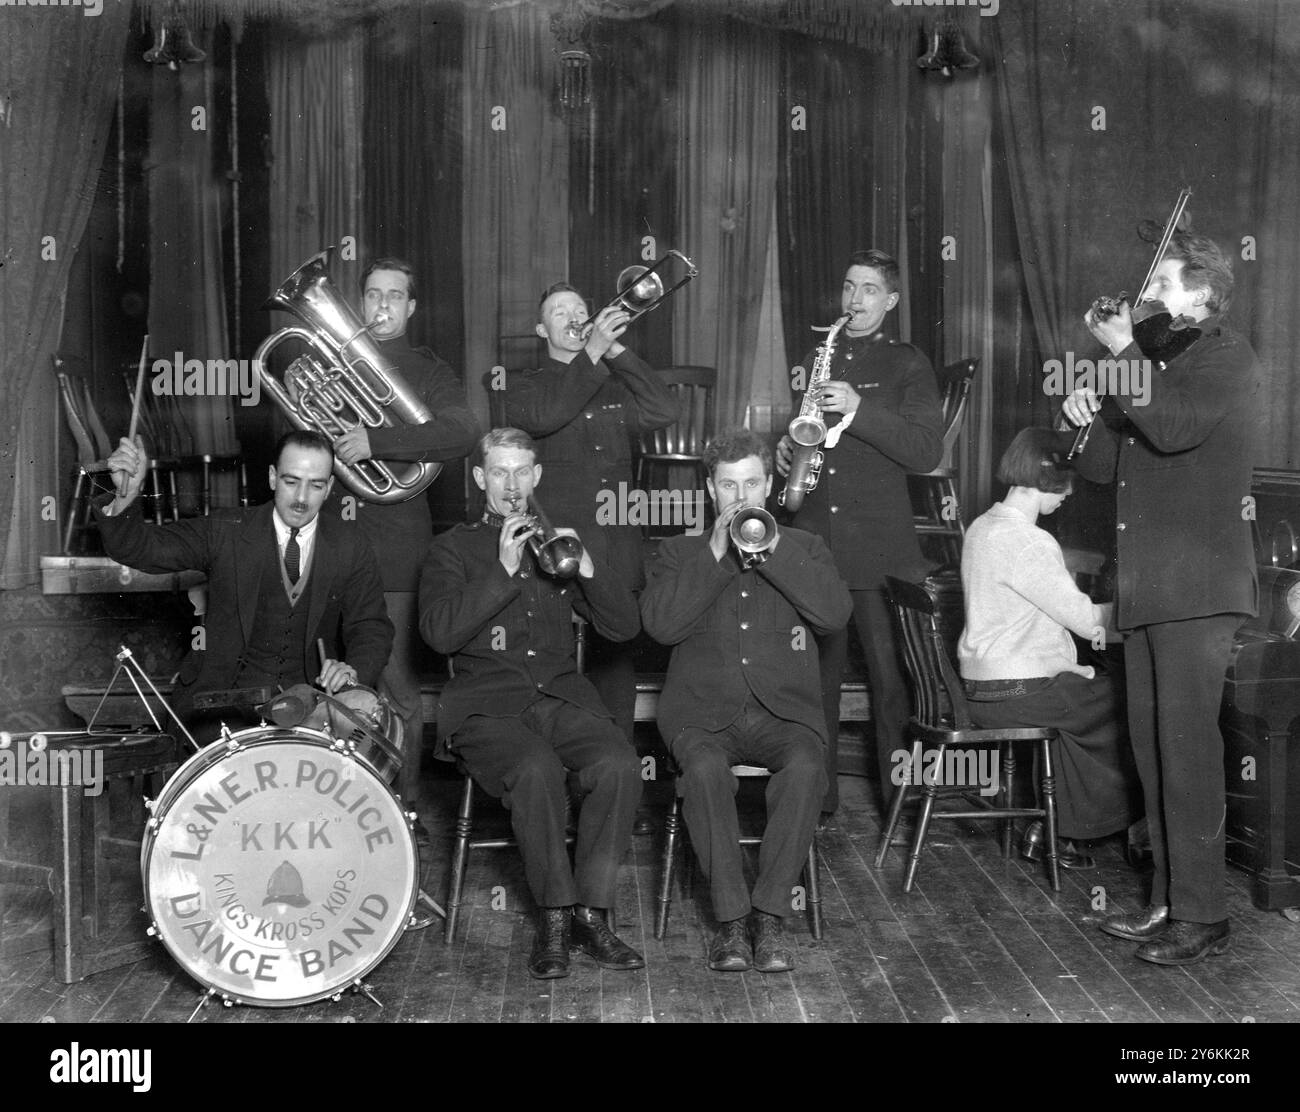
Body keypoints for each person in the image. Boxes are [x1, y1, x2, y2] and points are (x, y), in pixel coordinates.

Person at [1063, 231, 1262, 965]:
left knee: (1186, 752)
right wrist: (1091, 412)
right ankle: (1169, 901)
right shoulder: (1161, 360)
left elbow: (1175, 430)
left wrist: (1122, 358)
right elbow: (1101, 470)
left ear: (1204, 295)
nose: (1149, 300)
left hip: (1199, 589)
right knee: (1152, 752)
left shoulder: (1223, 356)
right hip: (1150, 588)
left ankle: (1205, 915)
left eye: (1165, 287)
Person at [418, 427, 644, 980]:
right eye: (499, 471)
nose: (512, 485)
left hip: (560, 698)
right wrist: (498, 568)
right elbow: (438, 635)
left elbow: (623, 628)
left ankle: (592, 914)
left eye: (522, 472)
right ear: (480, 479)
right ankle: (555, 916)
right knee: (536, 768)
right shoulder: (452, 548)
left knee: (619, 765)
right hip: (484, 707)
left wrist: (587, 565)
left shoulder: (559, 546)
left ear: (537, 476)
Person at [641, 430, 852, 973]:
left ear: (771, 483)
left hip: (785, 714)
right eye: (728, 485)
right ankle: (732, 922)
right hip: (702, 716)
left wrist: (773, 548)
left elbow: (833, 616)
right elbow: (661, 628)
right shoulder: (677, 553)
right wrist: (714, 554)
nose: (740, 497)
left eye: (751, 483)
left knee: (807, 769)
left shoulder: (806, 547)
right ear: (710, 490)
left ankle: (770, 916)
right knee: (706, 771)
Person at [776, 250, 944, 818]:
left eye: (870, 290)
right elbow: (807, 437)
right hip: (817, 542)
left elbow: (926, 452)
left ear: (890, 301)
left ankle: (899, 802)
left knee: (888, 682)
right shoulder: (819, 355)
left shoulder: (909, 363)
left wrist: (861, 408)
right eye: (850, 287)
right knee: (815, 681)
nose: (855, 300)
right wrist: (787, 451)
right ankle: (815, 803)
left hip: (878, 549)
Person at [96, 430, 393, 740]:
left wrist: (352, 672)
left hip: (310, 712)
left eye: (316, 485)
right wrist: (126, 495)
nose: (302, 499)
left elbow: (371, 627)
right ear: (272, 478)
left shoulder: (350, 544)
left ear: (330, 487)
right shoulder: (227, 530)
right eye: (291, 482)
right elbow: (139, 549)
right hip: (219, 710)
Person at [331, 257, 480, 830]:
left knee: (396, 689)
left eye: (395, 296)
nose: (383, 306)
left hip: (394, 546)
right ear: (359, 302)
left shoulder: (427, 368)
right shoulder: (332, 362)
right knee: (325, 682)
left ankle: (403, 813)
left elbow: (463, 430)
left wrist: (379, 440)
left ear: (411, 308)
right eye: (372, 295)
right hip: (330, 540)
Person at [504, 282, 678, 750]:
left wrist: (615, 349)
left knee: (614, 664)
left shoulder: (612, 382)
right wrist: (595, 351)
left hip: (616, 545)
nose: (573, 317)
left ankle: (616, 769)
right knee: (555, 666)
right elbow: (545, 416)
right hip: (554, 546)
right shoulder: (523, 385)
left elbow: (664, 410)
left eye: (581, 309)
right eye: (560, 312)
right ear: (542, 329)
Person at [958, 428, 1141, 869]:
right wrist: (1141, 613)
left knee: (1083, 703)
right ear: (1051, 479)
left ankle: (1055, 829)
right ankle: (1073, 830)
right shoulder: (1031, 540)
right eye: (1068, 484)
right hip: (1021, 694)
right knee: (1133, 704)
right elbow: (1085, 621)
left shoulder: (982, 526)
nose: (1068, 495)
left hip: (980, 692)